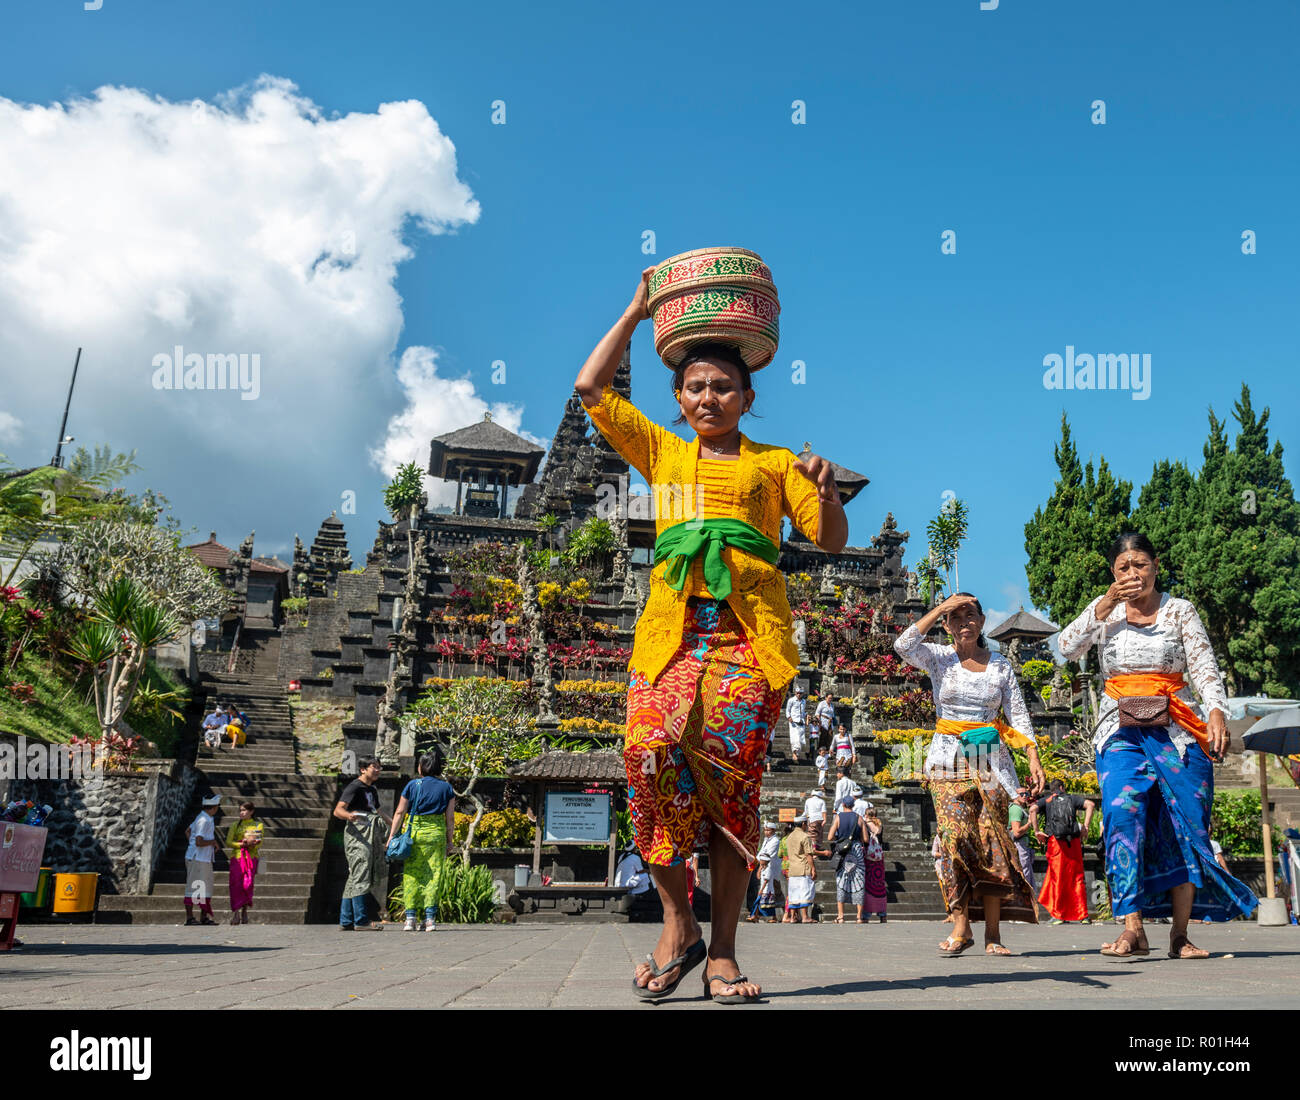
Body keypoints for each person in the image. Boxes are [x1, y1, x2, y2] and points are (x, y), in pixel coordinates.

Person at [577, 268, 846, 1004]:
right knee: (644, 755)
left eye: (723, 387)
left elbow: (824, 540)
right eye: (695, 386)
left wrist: (821, 493)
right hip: (669, 637)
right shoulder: (663, 453)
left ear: (748, 396)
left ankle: (722, 952)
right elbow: (592, 391)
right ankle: (677, 925)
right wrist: (635, 310)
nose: (708, 398)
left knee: (734, 792)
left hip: (747, 641)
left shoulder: (775, 463)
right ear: (677, 397)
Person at [1058, 532, 1258, 959]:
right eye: (1123, 568)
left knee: (1187, 822)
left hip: (1178, 732)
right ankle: (1132, 929)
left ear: (1155, 566)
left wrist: (1217, 711)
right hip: (1120, 731)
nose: (1133, 574)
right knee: (1120, 813)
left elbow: (1205, 666)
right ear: (1114, 573)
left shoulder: (1180, 610)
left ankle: (1180, 935)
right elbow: (1065, 647)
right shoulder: (1104, 611)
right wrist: (1105, 602)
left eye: (1140, 565)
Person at [895, 591, 1046, 957]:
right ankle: (961, 925)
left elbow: (1018, 714)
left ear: (981, 621)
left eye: (971, 615)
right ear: (947, 624)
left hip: (990, 758)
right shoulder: (939, 658)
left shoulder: (1000, 665)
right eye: (956, 617)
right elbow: (903, 645)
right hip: (948, 757)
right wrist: (940, 609)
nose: (965, 622)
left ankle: (993, 934)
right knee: (955, 839)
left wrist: (1033, 754)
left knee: (992, 842)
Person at [386, 748, 457, 932]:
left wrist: (392, 836)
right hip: (436, 834)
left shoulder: (412, 785)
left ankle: (410, 918)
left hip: (414, 834)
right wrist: (450, 842)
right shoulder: (447, 788)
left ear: (421, 767)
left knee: (411, 874)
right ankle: (430, 919)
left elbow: (400, 812)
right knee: (433, 875)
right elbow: (450, 819)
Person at [333, 757, 388, 931]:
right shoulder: (354, 786)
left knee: (355, 875)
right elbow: (338, 810)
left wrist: (394, 824)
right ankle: (361, 920)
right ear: (363, 769)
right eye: (374, 767)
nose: (378, 770)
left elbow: (377, 810)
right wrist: (349, 816)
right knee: (361, 872)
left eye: (379, 767)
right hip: (358, 834)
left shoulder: (372, 788)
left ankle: (346, 920)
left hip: (369, 833)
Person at [1030, 781, 1095, 924]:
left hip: (1055, 842)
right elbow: (1091, 804)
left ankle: (1059, 915)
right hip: (1073, 842)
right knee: (1077, 877)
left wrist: (1036, 831)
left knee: (1057, 878)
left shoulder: (1046, 800)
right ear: (1062, 788)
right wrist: (1085, 826)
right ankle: (1083, 915)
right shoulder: (1071, 798)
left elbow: (1032, 809)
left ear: (1052, 789)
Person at [826, 796, 868, 923]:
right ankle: (859, 917)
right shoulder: (859, 818)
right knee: (859, 881)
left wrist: (840, 838)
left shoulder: (838, 817)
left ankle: (841, 915)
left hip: (842, 852)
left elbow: (829, 837)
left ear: (843, 804)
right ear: (853, 805)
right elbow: (866, 839)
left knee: (841, 881)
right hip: (856, 851)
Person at [183, 794, 221, 926]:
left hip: (202, 858)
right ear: (215, 807)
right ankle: (190, 917)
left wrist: (191, 844)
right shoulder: (203, 820)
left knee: (204, 887)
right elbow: (199, 841)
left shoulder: (205, 818)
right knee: (194, 887)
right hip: (197, 858)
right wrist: (212, 842)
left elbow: (188, 831)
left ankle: (203, 917)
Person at [225, 801, 263, 925]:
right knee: (235, 885)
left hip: (251, 858)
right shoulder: (235, 825)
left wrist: (251, 843)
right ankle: (236, 913)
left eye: (244, 810)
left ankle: (245, 910)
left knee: (248, 884)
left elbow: (258, 842)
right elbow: (229, 842)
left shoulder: (258, 825)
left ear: (251, 811)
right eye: (240, 810)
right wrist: (242, 844)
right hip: (237, 857)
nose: (242, 812)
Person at [783, 816, 821, 923]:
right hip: (803, 868)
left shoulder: (789, 837)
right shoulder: (805, 836)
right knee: (805, 892)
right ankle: (805, 917)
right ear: (804, 824)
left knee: (793, 893)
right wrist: (813, 868)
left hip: (792, 868)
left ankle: (793, 917)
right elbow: (808, 854)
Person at [748, 821, 784, 922]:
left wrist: (759, 867)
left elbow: (767, 855)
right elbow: (761, 853)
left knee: (775, 894)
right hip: (764, 867)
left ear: (773, 830)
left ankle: (785, 913)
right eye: (765, 830)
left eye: (768, 830)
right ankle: (756, 915)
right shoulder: (766, 840)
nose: (766, 832)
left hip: (771, 868)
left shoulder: (775, 841)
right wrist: (755, 860)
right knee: (768, 894)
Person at [862, 804, 888, 922]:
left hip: (870, 858)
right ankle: (883, 914)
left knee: (869, 885)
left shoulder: (868, 824)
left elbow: (870, 836)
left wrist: (865, 822)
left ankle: (867, 915)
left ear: (868, 815)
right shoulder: (880, 824)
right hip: (879, 857)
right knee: (880, 885)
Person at [1008, 792, 1037, 893]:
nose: (1025, 796)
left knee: (1026, 875)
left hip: (1022, 845)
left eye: (1026, 793)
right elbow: (1016, 832)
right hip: (1019, 845)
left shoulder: (1018, 808)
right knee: (1024, 875)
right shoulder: (1016, 809)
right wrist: (1029, 823)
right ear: (1014, 795)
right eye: (1022, 794)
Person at [786, 686, 808, 763]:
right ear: (795, 693)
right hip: (793, 722)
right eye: (797, 693)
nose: (799, 694)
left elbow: (803, 711)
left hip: (801, 722)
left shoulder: (804, 702)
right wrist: (789, 717)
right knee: (795, 739)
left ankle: (797, 754)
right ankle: (794, 754)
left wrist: (806, 715)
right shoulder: (791, 700)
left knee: (801, 741)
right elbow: (787, 710)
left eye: (800, 693)